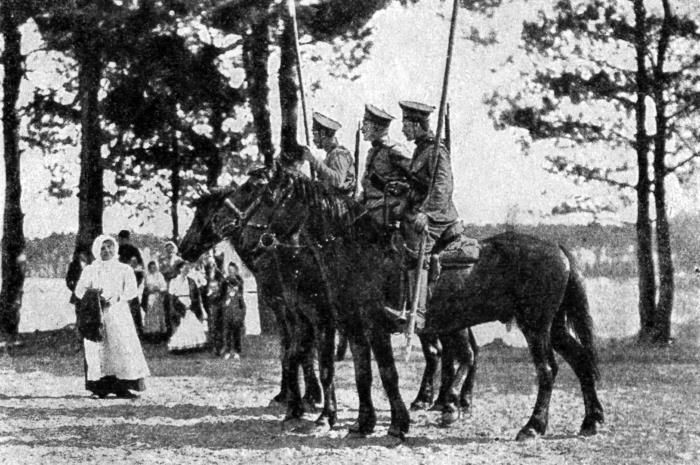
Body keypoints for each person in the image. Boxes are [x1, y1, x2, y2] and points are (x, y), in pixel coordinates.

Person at [396, 100, 461, 331]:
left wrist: (427, 213)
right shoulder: (421, 149)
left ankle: (418, 312)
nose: (403, 129)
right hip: (420, 210)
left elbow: (443, 186)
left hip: (439, 216)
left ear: (416, 125)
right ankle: (403, 303)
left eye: (405, 124)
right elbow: (420, 182)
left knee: (415, 246)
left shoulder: (436, 151)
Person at [74, 234, 150, 399]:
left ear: (115, 248)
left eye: (110, 246)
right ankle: (99, 387)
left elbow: (132, 291)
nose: (107, 250)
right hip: (96, 315)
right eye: (102, 247)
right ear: (96, 250)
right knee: (99, 349)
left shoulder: (125, 269)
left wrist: (117, 297)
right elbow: (79, 291)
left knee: (120, 347)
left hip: (118, 313)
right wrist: (94, 296)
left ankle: (123, 386)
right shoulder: (90, 269)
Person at [358, 104, 412, 228]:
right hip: (371, 209)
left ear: (377, 127)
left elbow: (418, 178)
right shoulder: (373, 152)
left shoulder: (395, 150)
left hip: (387, 214)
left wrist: (402, 191)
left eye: (365, 124)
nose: (362, 129)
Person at [301, 112, 355, 195]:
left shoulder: (339, 154)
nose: (314, 139)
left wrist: (314, 160)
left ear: (322, 134)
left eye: (315, 134)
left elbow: (338, 181)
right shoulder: (332, 154)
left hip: (341, 203)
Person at [167, 259, 208, 353]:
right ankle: (180, 345)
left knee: (192, 323)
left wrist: (193, 304)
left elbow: (196, 293)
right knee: (181, 325)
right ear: (180, 269)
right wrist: (177, 305)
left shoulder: (191, 281)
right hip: (179, 303)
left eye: (187, 268)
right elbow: (171, 296)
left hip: (190, 303)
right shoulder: (173, 281)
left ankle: (193, 345)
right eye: (184, 267)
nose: (187, 269)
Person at [117, 230, 145, 336]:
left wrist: (136, 282)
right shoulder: (117, 250)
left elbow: (139, 267)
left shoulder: (134, 250)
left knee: (134, 306)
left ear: (127, 239)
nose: (121, 241)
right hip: (119, 282)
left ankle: (138, 330)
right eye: (120, 239)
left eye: (123, 239)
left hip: (131, 281)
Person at [220, 262, 247, 360]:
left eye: (232, 270)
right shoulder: (224, 281)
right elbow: (221, 294)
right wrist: (225, 302)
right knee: (227, 330)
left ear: (235, 270)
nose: (231, 272)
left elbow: (240, 291)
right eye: (229, 270)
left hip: (237, 306)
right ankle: (227, 351)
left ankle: (237, 351)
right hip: (227, 308)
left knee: (237, 330)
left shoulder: (239, 280)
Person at [66, 248, 91, 349]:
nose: (82, 255)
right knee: (79, 317)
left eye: (84, 253)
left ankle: (89, 339)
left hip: (90, 295)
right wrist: (74, 289)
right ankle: (79, 340)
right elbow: (68, 279)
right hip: (78, 295)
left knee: (90, 316)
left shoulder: (92, 264)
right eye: (81, 253)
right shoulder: (74, 265)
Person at [142, 261, 168, 342]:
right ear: (149, 268)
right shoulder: (147, 276)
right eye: (151, 267)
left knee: (159, 315)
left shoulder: (159, 275)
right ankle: (152, 334)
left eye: (154, 267)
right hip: (150, 296)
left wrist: (158, 289)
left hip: (158, 296)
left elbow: (164, 286)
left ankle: (160, 334)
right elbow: (144, 287)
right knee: (151, 315)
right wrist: (148, 291)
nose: (152, 269)